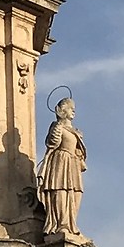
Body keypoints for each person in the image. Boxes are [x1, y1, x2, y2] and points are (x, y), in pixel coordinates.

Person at [36, 96, 87, 239]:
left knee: (76, 192)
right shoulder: (57, 126)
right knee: (61, 189)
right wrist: (58, 125)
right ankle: (61, 224)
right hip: (61, 161)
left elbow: (79, 151)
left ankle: (71, 224)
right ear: (62, 110)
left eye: (74, 109)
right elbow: (52, 143)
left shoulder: (75, 131)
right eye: (70, 108)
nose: (73, 111)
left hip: (73, 163)